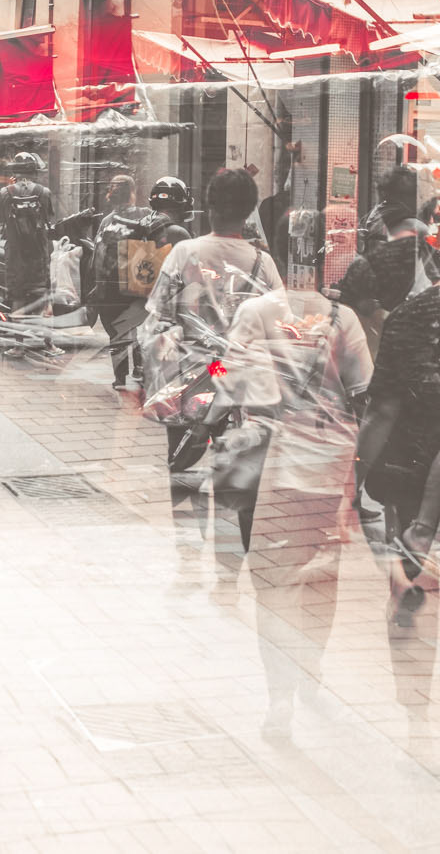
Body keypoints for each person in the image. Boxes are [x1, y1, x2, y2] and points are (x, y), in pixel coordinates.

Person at [221, 283, 372, 736]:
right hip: (327, 464)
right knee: (320, 578)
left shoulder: (254, 310)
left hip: (268, 464)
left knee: (275, 588)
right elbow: (364, 392)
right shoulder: (343, 317)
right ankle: (309, 669)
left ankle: (280, 697)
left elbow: (222, 375)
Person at [138, 167, 282, 587]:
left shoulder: (185, 253)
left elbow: (157, 317)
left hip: (192, 381)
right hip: (244, 385)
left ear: (210, 206)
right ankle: (230, 571)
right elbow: (280, 328)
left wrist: (156, 372)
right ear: (250, 211)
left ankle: (188, 558)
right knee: (241, 477)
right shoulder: (264, 263)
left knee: (184, 465)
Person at [357, 223, 440, 617]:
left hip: (408, 431)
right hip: (414, 432)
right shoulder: (409, 313)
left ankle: (404, 583)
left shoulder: (412, 308)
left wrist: (353, 478)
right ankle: (405, 580)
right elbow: (382, 406)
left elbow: (381, 409)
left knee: (400, 508)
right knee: (403, 507)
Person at [88, 174, 192, 388]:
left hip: (128, 296)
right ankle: (145, 374)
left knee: (124, 336)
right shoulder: (177, 232)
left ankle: (122, 378)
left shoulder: (130, 223)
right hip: (162, 305)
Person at [0, 152, 55, 313]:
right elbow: (49, 218)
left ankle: (17, 328)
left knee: (17, 298)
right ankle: (40, 328)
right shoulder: (44, 192)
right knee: (40, 297)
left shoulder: (5, 192)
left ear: (15, 171)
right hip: (38, 256)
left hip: (15, 256)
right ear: (34, 171)